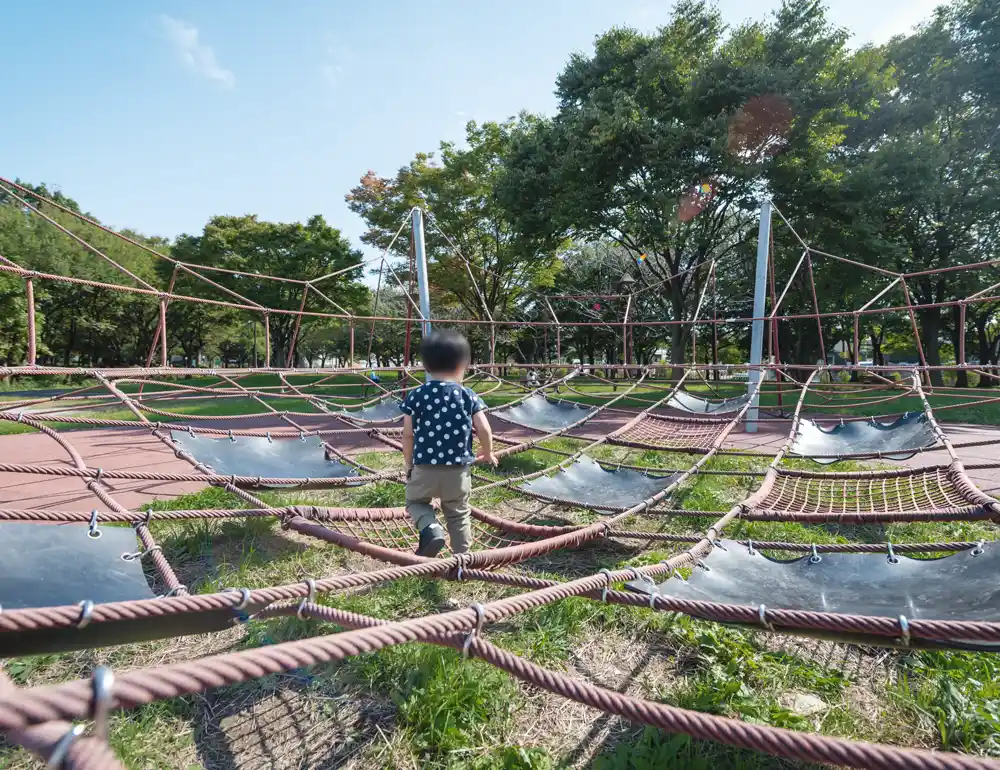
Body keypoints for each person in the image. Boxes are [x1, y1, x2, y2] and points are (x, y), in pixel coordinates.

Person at [400, 330, 497, 557]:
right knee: (458, 513)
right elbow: (484, 428)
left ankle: (431, 528)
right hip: (458, 472)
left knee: (415, 502)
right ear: (464, 365)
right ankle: (462, 558)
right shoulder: (468, 396)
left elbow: (408, 435)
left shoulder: (416, 396)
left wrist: (408, 463)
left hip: (424, 468)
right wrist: (487, 451)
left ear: (426, 366)